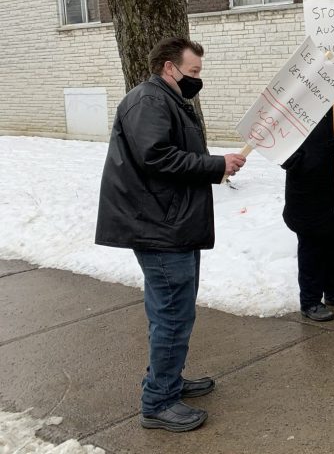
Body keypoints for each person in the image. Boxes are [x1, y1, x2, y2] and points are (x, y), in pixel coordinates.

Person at [95, 37, 242, 432]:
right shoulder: (149, 101)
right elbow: (155, 156)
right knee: (172, 314)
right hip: (159, 227)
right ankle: (158, 402)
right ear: (168, 67)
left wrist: (216, 165)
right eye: (193, 72)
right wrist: (216, 165)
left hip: (170, 223)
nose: (197, 79)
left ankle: (168, 381)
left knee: (174, 311)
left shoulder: (166, 100)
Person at [281, 95, 334, 321]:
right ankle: (309, 301)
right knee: (311, 248)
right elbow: (276, 141)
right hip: (307, 188)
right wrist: (292, 159)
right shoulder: (295, 100)